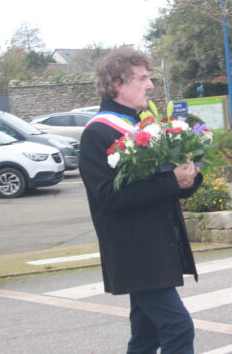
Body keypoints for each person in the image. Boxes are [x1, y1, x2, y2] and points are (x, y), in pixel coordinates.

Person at [79, 47, 202, 354]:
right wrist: (170, 181)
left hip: (157, 247)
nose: (150, 85)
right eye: (143, 78)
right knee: (178, 329)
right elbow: (108, 197)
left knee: (145, 338)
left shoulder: (143, 125)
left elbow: (161, 186)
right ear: (117, 84)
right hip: (136, 252)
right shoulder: (97, 133)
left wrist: (188, 179)